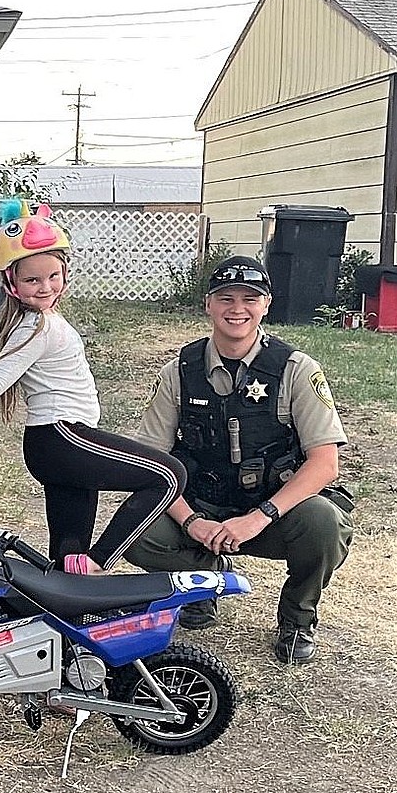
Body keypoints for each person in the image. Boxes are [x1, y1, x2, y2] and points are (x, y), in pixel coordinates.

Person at [0, 198, 185, 574]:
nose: (45, 287)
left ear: (65, 271)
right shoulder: (36, 326)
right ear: (11, 283)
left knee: (66, 553)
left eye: (52, 276)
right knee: (169, 475)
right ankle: (97, 564)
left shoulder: (43, 320)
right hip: (62, 439)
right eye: (32, 279)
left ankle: (61, 621)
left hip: (58, 445)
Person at [125, 255, 353, 664]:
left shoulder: (296, 370)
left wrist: (258, 517)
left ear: (265, 305)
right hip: (202, 508)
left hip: (272, 511)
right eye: (225, 297)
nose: (237, 309)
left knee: (325, 523)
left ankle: (297, 617)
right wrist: (192, 522)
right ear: (208, 304)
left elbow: (324, 463)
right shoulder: (180, 371)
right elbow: (151, 464)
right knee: (136, 530)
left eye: (250, 298)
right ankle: (202, 580)